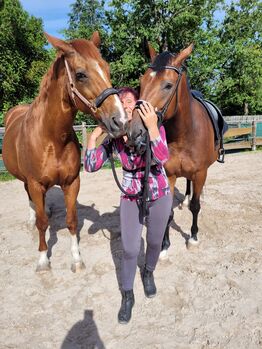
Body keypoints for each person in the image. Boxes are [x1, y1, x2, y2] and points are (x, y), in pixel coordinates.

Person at [84, 87, 172, 324]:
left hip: (159, 193)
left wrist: (153, 126)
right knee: (131, 248)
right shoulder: (114, 140)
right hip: (131, 197)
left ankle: (149, 272)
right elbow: (91, 166)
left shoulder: (154, 128)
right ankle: (127, 294)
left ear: (138, 105)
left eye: (130, 101)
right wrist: (93, 138)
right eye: (121, 102)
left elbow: (163, 158)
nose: (126, 105)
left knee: (154, 242)